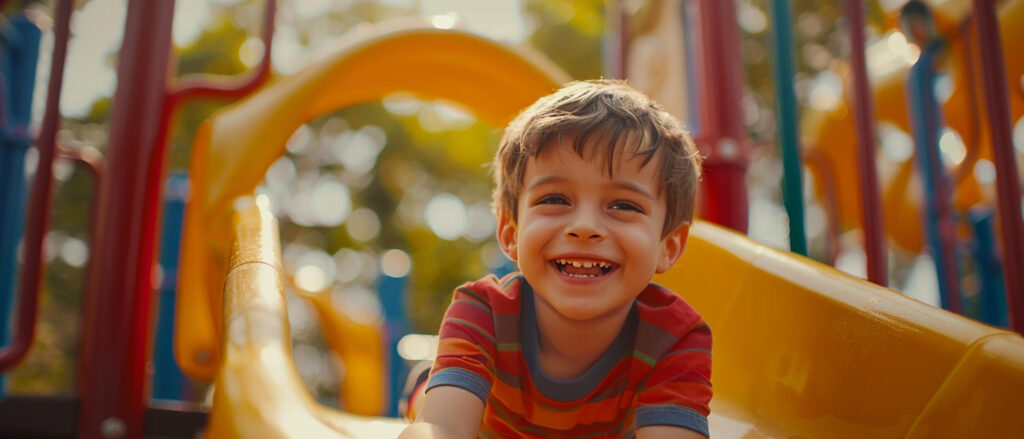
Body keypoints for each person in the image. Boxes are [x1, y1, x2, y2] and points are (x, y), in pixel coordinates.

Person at [399, 79, 711, 438]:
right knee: (431, 400)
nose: (584, 227)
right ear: (510, 230)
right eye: (554, 199)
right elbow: (443, 428)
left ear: (668, 245)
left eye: (623, 205)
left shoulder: (674, 338)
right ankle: (426, 380)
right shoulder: (484, 312)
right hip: (486, 419)